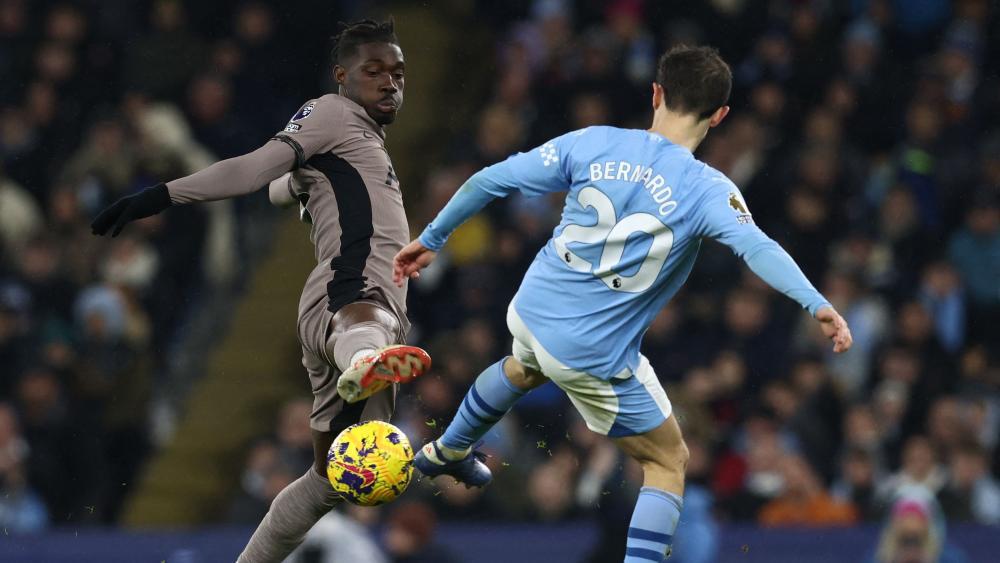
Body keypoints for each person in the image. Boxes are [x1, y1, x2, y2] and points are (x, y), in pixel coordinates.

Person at [393, 45, 853, 562]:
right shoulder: (707, 189)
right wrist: (816, 304)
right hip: (589, 350)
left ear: (655, 93)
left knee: (524, 367)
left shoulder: (595, 141)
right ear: (720, 116)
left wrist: (431, 238)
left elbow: (489, 179)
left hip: (531, 307)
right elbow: (757, 247)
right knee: (668, 460)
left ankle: (447, 449)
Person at [91, 19, 431, 562]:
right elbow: (254, 169)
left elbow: (277, 183)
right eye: (374, 72)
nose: (391, 83)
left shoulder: (348, 139)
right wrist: (160, 196)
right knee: (373, 326)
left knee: (327, 480)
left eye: (399, 73)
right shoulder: (332, 112)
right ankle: (367, 357)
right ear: (343, 77)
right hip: (352, 289)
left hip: (328, 306)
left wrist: (293, 183)